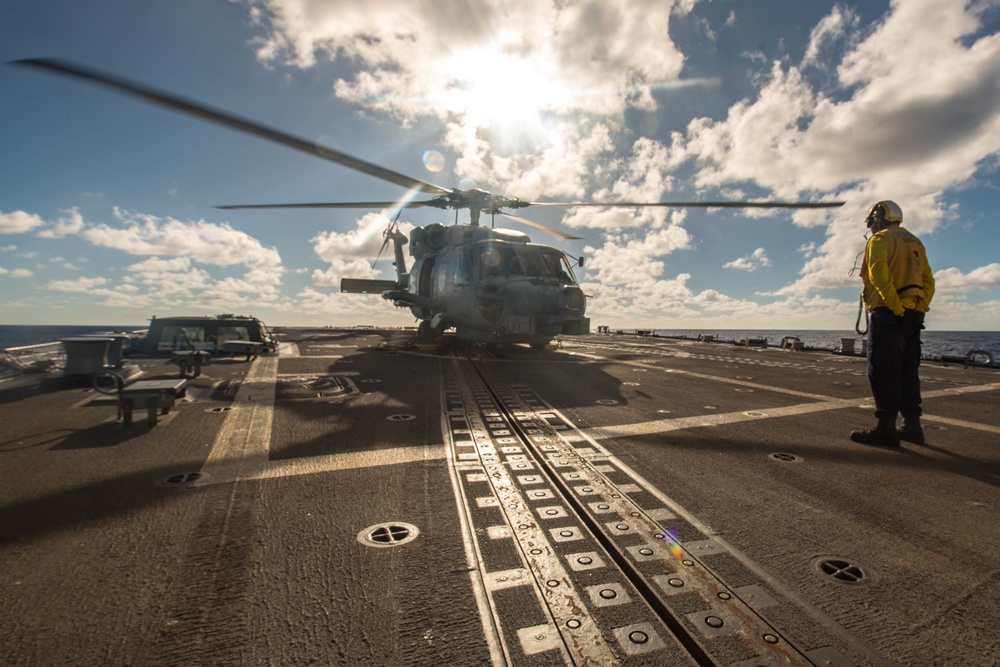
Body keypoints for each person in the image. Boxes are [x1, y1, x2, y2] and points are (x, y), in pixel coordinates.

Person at [851, 200, 935, 447]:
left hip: (889, 314)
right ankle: (912, 426)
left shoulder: (880, 240)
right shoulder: (914, 242)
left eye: (872, 223)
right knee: (908, 372)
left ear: (878, 218)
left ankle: (886, 428)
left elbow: (878, 274)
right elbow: (928, 280)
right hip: (913, 317)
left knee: (884, 370)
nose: (872, 229)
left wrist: (895, 308)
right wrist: (919, 310)